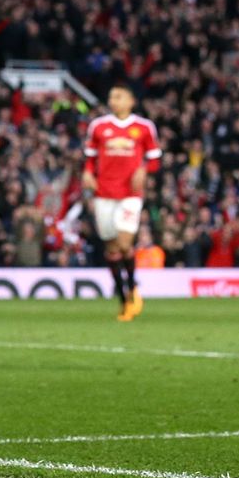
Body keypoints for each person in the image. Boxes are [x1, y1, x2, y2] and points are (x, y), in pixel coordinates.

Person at [82, 85, 161, 321]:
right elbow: (89, 157)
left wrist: (144, 170)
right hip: (103, 193)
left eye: (118, 96)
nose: (113, 101)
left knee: (125, 243)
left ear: (131, 100)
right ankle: (123, 298)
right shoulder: (98, 126)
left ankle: (133, 289)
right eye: (110, 97)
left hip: (130, 195)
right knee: (112, 249)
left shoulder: (144, 128)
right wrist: (87, 173)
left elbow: (155, 159)